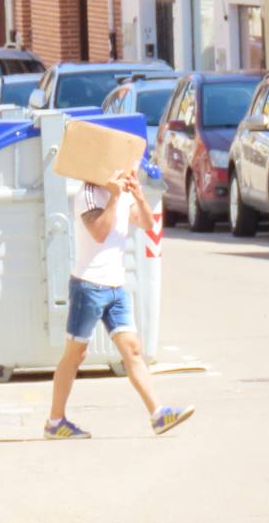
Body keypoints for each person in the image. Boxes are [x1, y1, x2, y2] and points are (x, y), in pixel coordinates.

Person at [45, 169, 194, 439]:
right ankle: (55, 421)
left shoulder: (123, 194)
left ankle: (158, 414)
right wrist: (114, 198)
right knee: (74, 355)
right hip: (88, 287)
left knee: (133, 351)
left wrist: (138, 195)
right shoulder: (88, 193)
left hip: (116, 289)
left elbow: (148, 224)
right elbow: (99, 233)